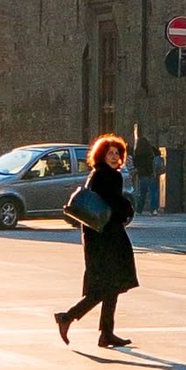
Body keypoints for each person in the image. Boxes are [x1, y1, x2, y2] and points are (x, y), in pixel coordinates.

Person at [54, 133, 139, 352]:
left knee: (111, 286)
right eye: (110, 153)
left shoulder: (98, 174)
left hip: (100, 235)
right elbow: (113, 203)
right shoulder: (108, 176)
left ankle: (106, 333)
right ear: (102, 155)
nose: (114, 157)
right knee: (105, 287)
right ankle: (67, 317)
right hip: (106, 238)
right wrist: (127, 208)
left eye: (117, 153)